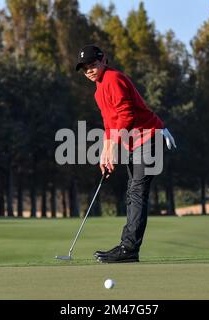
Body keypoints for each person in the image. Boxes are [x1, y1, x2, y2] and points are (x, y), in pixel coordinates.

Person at [75, 45, 176, 263]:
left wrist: (113, 148)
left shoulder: (113, 79)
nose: (89, 71)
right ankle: (127, 247)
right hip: (136, 143)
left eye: (92, 65)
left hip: (149, 138)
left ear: (104, 61)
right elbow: (110, 123)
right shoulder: (99, 89)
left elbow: (126, 116)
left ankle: (129, 249)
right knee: (133, 193)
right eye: (85, 69)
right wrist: (105, 152)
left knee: (137, 193)